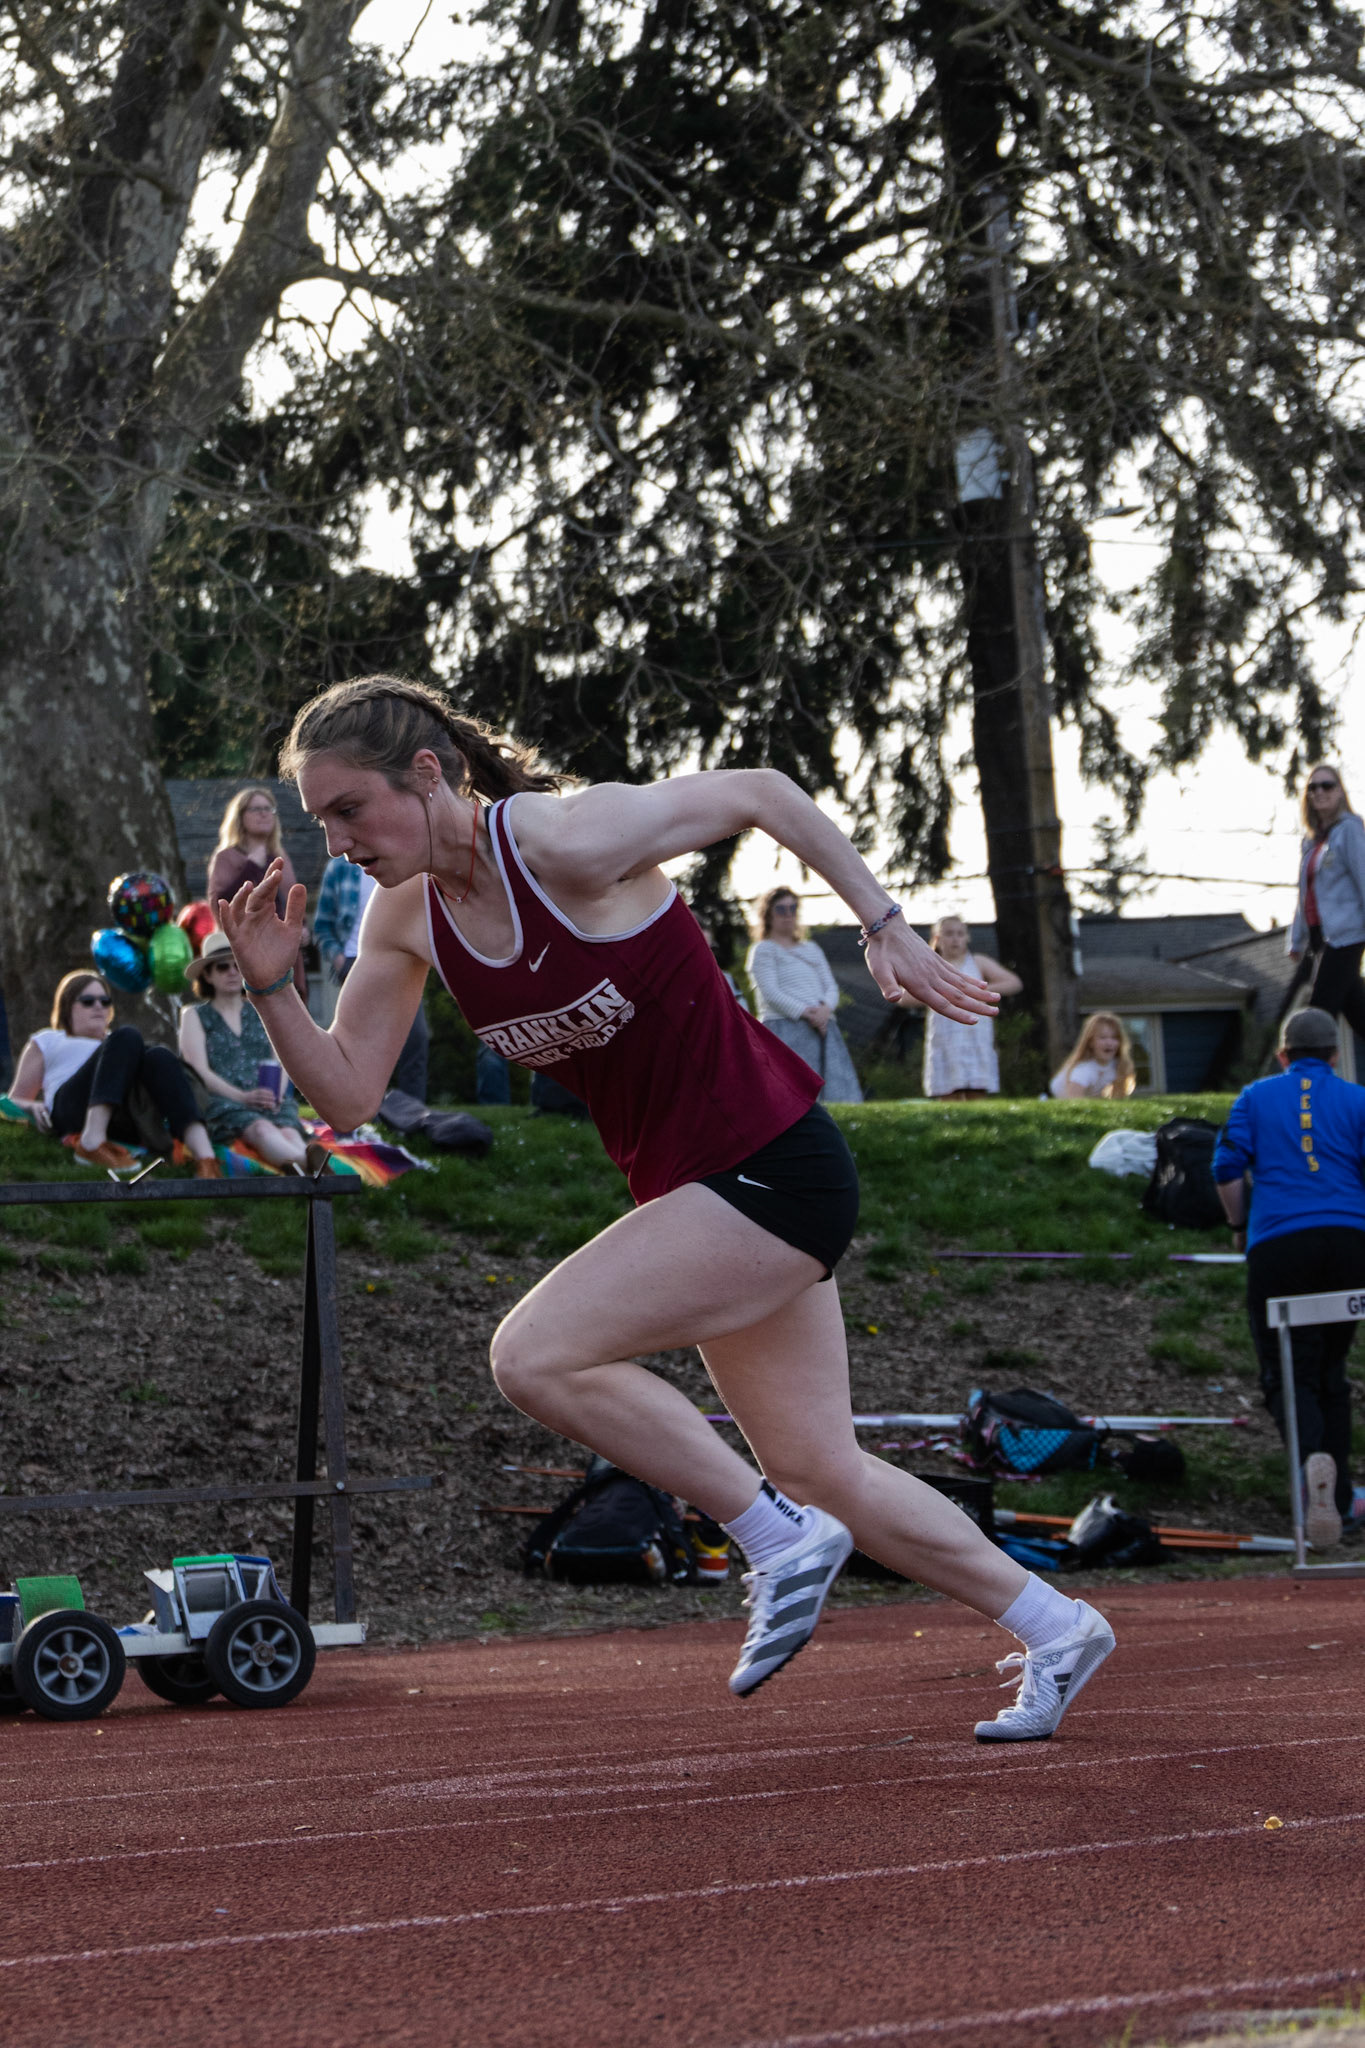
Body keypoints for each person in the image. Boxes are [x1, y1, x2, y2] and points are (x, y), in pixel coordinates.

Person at [221, 674, 1116, 1740]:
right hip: (703, 1191)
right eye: (321, 820)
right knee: (818, 1467)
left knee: (534, 1356)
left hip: (770, 1164)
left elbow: (763, 790)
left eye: (349, 809)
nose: (337, 843)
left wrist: (882, 924)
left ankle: (774, 1537)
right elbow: (347, 1097)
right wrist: (272, 988)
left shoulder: (564, 840)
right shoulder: (406, 916)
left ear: (426, 773)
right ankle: (1056, 1624)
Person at [1213, 1007, 1365, 1550]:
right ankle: (1340, 1501)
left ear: (1283, 1055)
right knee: (1330, 1371)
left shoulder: (1255, 1096)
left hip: (1280, 1244)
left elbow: (1226, 1166)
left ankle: (1310, 1472)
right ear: (1334, 1056)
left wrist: (1238, 1227)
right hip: (1349, 1244)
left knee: (1286, 1371)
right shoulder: (1358, 1099)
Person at [8, 971, 220, 1175]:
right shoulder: (48, 1040)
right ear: (67, 1006)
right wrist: (31, 1106)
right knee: (128, 1035)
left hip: (122, 1117)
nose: (98, 1006)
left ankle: (206, 1160)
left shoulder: (117, 1046)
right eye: (88, 1001)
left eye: (105, 1001)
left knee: (160, 1055)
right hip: (71, 1111)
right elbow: (13, 1099)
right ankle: (91, 1143)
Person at [178, 931, 308, 1169]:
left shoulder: (262, 1009)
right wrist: (243, 1097)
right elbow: (198, 1070)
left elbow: (281, 1059)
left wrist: (276, 1095)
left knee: (289, 1131)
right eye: (222, 967)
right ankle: (308, 1165)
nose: (232, 972)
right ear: (207, 975)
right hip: (225, 1102)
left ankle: (311, 1165)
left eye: (238, 966)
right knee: (262, 1129)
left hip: (269, 1099)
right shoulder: (194, 1015)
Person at [314, 851, 430, 1101]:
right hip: (354, 962)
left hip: (401, 959)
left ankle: (413, 1110)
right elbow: (322, 926)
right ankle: (367, 1108)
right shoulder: (338, 868)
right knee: (363, 1046)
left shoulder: (403, 861)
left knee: (415, 1037)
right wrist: (340, 960)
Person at [746, 888, 863, 1104]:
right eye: (781, 909)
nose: (788, 914)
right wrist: (806, 1013)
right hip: (783, 1028)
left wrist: (825, 1010)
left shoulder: (812, 949)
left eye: (793, 908)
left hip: (823, 1026)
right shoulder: (763, 950)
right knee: (792, 1094)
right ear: (768, 914)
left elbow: (830, 986)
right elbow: (770, 993)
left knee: (835, 1093)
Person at [207, 788, 308, 1000]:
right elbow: (220, 905)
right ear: (240, 817)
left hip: (285, 954)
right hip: (248, 955)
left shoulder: (280, 856)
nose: (264, 814)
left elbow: (292, 899)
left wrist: (303, 927)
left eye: (268, 809)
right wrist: (251, 866)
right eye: (256, 809)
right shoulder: (226, 857)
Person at [1288, 764, 1365, 1041]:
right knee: (1358, 1011)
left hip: (1347, 936)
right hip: (1320, 938)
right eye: (1313, 787)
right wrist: (1296, 939)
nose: (1319, 792)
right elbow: (1304, 894)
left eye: (1327, 785)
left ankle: (1307, 1068)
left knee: (1318, 1016)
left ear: (1340, 791)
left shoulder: (1350, 830)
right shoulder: (1311, 841)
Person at [921, 915, 1022, 1100]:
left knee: (976, 1088)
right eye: (949, 934)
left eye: (960, 934)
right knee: (948, 1090)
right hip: (945, 1035)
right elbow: (905, 997)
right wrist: (937, 991)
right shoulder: (931, 965)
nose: (955, 939)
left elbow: (1013, 983)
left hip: (975, 1034)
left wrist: (977, 992)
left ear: (967, 937)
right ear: (937, 938)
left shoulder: (978, 962)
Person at [1049, 1013, 1135, 1100]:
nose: (1109, 1043)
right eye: (1103, 1037)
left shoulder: (1118, 1066)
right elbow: (1074, 1101)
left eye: (1114, 1038)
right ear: (1090, 1042)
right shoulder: (1083, 1069)